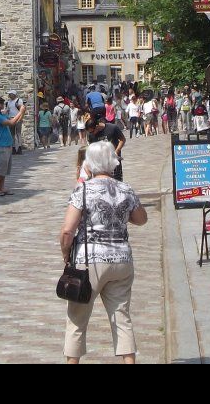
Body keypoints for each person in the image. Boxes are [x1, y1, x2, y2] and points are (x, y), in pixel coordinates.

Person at [59, 141, 148, 364]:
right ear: (112, 162)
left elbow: (68, 230)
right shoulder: (125, 188)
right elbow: (141, 219)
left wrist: (65, 253)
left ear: (89, 164)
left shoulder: (83, 189)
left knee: (77, 320)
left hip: (90, 261)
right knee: (121, 317)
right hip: (121, 259)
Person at [0, 94, 25, 196]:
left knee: (5, 169)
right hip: (0, 145)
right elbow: (12, 122)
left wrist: (22, 112)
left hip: (7, 145)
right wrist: (20, 111)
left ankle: (2, 187)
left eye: (3, 103)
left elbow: (16, 120)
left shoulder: (2, 114)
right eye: (0, 103)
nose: (2, 105)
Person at [86, 115, 127, 182]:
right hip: (101, 163)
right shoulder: (91, 135)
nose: (91, 133)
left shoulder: (113, 128)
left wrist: (116, 151)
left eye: (92, 131)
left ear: (97, 126)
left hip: (114, 160)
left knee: (117, 180)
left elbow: (122, 140)